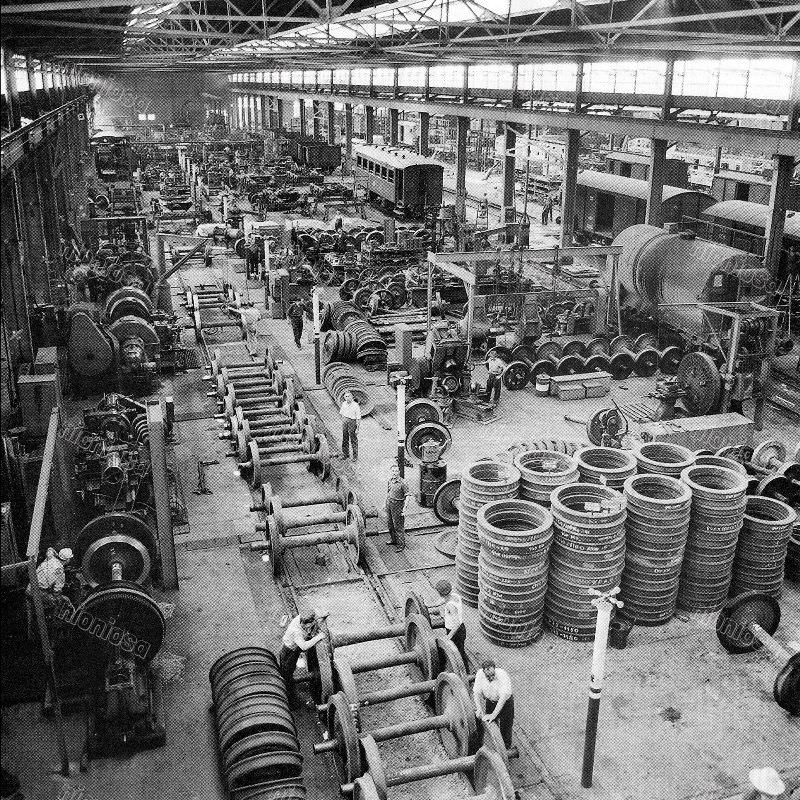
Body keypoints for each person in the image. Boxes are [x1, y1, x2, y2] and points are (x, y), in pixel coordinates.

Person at [278, 609, 325, 704]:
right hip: (288, 652)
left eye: (309, 626)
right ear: (302, 623)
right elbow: (304, 646)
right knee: (287, 677)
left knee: (289, 672)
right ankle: (292, 703)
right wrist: (318, 637)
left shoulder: (302, 617)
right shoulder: (296, 631)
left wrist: (324, 615)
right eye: (305, 626)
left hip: (294, 649)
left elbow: (315, 617)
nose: (307, 628)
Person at [473, 659, 514, 749]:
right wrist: (479, 708)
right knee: (490, 725)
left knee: (505, 728)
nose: (490, 677)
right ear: (483, 672)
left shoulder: (502, 675)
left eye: (492, 675)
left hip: (506, 704)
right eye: (487, 676)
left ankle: (506, 749)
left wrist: (493, 714)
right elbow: (476, 692)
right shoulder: (480, 674)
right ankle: (493, 746)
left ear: (494, 669)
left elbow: (503, 698)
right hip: (491, 702)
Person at [434, 579, 467, 668]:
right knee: (460, 649)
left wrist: (449, 637)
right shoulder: (455, 596)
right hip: (460, 629)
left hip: (456, 631)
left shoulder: (450, 606)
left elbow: (456, 624)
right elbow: (445, 600)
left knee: (459, 652)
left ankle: (465, 672)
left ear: (440, 593)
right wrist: (433, 605)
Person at [385, 462, 411, 549]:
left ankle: (401, 545)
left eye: (396, 471)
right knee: (390, 524)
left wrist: (404, 509)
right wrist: (385, 504)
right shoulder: (390, 481)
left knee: (398, 526)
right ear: (390, 472)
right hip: (389, 503)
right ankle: (393, 540)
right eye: (393, 471)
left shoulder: (403, 483)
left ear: (399, 472)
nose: (394, 473)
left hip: (398, 505)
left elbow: (407, 496)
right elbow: (389, 492)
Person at [339, 390, 361, 461]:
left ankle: (355, 456)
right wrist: (343, 422)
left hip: (352, 422)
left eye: (349, 396)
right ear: (344, 397)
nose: (347, 398)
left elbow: (358, 418)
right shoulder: (344, 404)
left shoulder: (355, 405)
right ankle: (345, 454)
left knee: (353, 439)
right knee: (345, 438)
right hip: (345, 421)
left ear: (352, 397)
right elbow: (341, 413)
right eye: (346, 396)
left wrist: (357, 428)